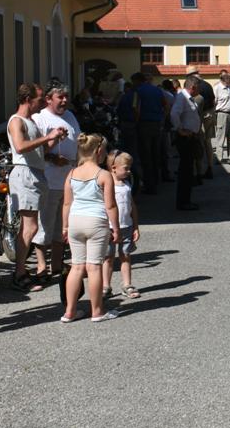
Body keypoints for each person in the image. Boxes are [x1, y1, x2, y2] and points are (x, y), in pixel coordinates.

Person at [7, 83, 65, 291]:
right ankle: (19, 273)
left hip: (35, 173)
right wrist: (47, 137)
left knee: (31, 226)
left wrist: (53, 138)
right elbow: (20, 146)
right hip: (24, 173)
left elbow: (39, 149)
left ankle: (22, 271)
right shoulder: (16, 121)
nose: (41, 103)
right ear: (27, 99)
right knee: (30, 227)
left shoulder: (30, 121)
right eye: (39, 99)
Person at [60, 133, 120, 323]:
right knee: (94, 267)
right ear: (99, 151)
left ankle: (69, 311)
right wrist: (116, 227)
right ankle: (97, 311)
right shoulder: (104, 175)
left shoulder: (71, 174)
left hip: (75, 221)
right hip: (96, 221)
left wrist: (64, 226)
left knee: (76, 267)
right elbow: (110, 205)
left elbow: (67, 204)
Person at [32, 83, 80, 282]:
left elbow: (78, 141)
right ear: (48, 99)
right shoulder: (39, 118)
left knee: (63, 225)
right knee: (45, 223)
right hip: (49, 179)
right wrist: (52, 158)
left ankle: (57, 264)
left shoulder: (70, 116)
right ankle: (41, 265)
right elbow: (34, 151)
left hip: (69, 180)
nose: (65, 100)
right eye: (60, 97)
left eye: (66, 96)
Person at [103, 150, 141, 300]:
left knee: (125, 256)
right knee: (108, 257)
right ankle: (106, 286)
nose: (129, 171)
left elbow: (132, 206)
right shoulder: (107, 185)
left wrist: (136, 226)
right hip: (110, 228)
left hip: (127, 226)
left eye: (129, 167)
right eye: (126, 168)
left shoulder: (126, 184)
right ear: (113, 168)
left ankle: (127, 284)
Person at [170, 76, 202, 211]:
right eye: (198, 88)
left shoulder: (187, 98)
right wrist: (180, 129)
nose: (199, 90)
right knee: (186, 171)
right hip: (185, 139)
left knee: (187, 170)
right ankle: (183, 202)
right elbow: (173, 114)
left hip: (190, 137)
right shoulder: (182, 98)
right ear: (193, 87)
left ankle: (185, 200)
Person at [134, 73, 167, 194]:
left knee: (145, 155)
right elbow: (166, 105)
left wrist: (136, 122)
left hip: (144, 124)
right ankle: (156, 180)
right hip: (156, 124)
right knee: (155, 153)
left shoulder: (138, 91)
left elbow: (136, 109)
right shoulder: (158, 90)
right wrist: (162, 118)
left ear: (138, 81)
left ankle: (149, 185)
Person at [186, 66, 215, 179]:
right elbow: (213, 100)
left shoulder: (196, 86)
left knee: (198, 143)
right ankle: (210, 167)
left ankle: (199, 171)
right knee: (208, 143)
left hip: (200, 116)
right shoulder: (207, 84)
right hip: (210, 114)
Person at [213, 70, 230, 164]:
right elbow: (214, 102)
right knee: (221, 136)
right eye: (228, 81)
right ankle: (219, 158)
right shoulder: (217, 88)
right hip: (221, 113)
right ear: (223, 80)